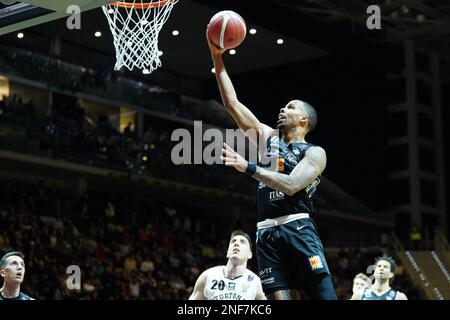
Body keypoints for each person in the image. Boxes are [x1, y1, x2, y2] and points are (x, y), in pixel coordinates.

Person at [206, 28, 336, 300]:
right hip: (266, 235)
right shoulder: (268, 139)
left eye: (290, 107)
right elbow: (232, 104)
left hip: (297, 229)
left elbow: (290, 186)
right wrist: (217, 58)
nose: (282, 109)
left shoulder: (314, 153)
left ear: (304, 121)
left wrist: (249, 168)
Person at [189, 230, 266, 300]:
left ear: (250, 254)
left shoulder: (255, 282)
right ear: (227, 252)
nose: (236, 243)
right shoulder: (208, 276)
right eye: (233, 241)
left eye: (242, 242)